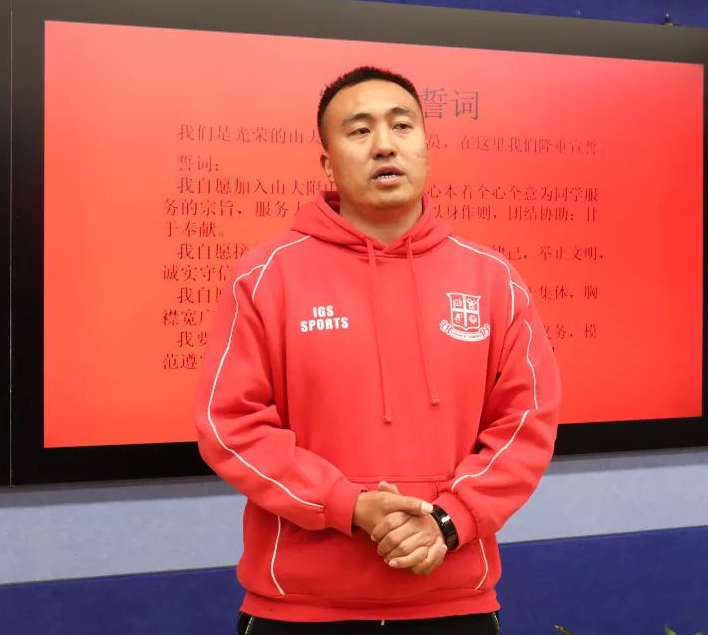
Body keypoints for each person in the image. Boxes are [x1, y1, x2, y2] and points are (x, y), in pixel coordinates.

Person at [194, 65, 561, 634]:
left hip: (453, 603)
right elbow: (230, 425)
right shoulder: (266, 276)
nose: (385, 144)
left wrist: (450, 520)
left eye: (402, 125)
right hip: (300, 610)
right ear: (327, 163)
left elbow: (526, 423)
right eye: (360, 130)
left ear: (426, 147)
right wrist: (348, 505)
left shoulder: (493, 280)